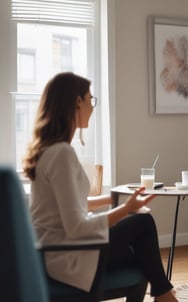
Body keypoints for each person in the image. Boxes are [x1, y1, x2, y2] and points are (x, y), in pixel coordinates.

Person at [23, 72, 178, 302]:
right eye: (90, 99)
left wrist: (112, 199)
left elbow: (72, 206)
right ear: (77, 102)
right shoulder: (61, 153)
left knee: (142, 256)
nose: (92, 106)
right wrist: (126, 209)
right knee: (142, 224)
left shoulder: (49, 150)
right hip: (68, 257)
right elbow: (76, 227)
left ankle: (163, 294)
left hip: (54, 253)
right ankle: (165, 295)